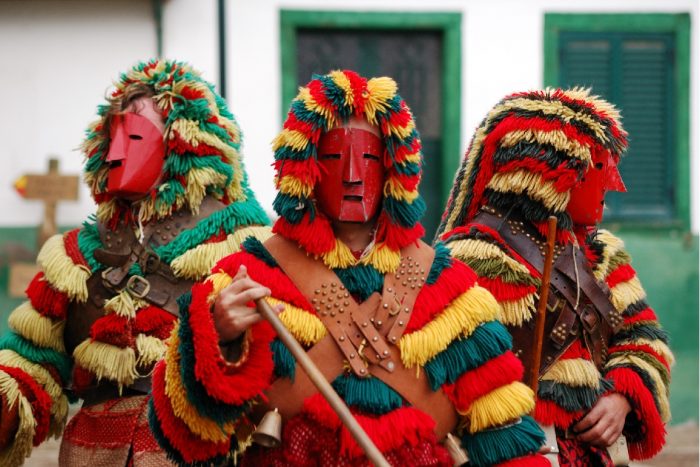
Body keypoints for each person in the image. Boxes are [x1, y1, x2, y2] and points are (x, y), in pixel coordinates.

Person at [149, 70, 549, 466]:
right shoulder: (248, 276)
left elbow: (503, 435)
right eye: (335, 157)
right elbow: (187, 437)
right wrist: (219, 337)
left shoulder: (451, 289)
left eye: (371, 157)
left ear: (395, 168)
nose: (354, 175)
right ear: (304, 167)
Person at [0, 59, 270, 466]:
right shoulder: (76, 254)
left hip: (193, 452)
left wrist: (222, 335)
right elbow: (33, 365)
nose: (116, 152)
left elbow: (274, 375)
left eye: (136, 135)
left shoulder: (241, 244)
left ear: (183, 142)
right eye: (112, 136)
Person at [436, 88, 672, 465]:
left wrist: (622, 398)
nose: (614, 184)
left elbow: (644, 340)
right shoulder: (467, 258)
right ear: (551, 173)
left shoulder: (602, 253)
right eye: (598, 167)